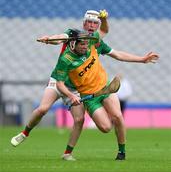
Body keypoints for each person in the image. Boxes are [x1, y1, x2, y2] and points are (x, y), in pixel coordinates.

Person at [10, 10, 109, 161]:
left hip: (74, 87)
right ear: (84, 23)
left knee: (79, 119)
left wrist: (104, 20)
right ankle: (25, 133)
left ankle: (67, 153)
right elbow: (60, 38)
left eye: (95, 22)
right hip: (58, 81)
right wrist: (49, 39)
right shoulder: (72, 34)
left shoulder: (92, 40)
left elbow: (104, 31)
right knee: (43, 109)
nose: (91, 25)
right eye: (89, 22)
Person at [51, 29, 159, 160]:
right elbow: (60, 84)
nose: (85, 47)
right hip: (90, 97)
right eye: (82, 45)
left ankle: (122, 152)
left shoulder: (93, 43)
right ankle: (67, 153)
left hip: (106, 88)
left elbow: (106, 33)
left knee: (118, 116)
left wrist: (142, 59)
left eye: (86, 44)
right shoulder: (65, 59)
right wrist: (72, 95)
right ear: (73, 43)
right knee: (106, 128)